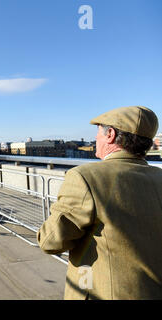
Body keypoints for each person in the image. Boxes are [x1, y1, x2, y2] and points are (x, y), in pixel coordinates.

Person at [37, 106, 162, 300]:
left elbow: (50, 241)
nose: (95, 139)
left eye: (98, 132)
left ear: (110, 134)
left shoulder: (85, 177)